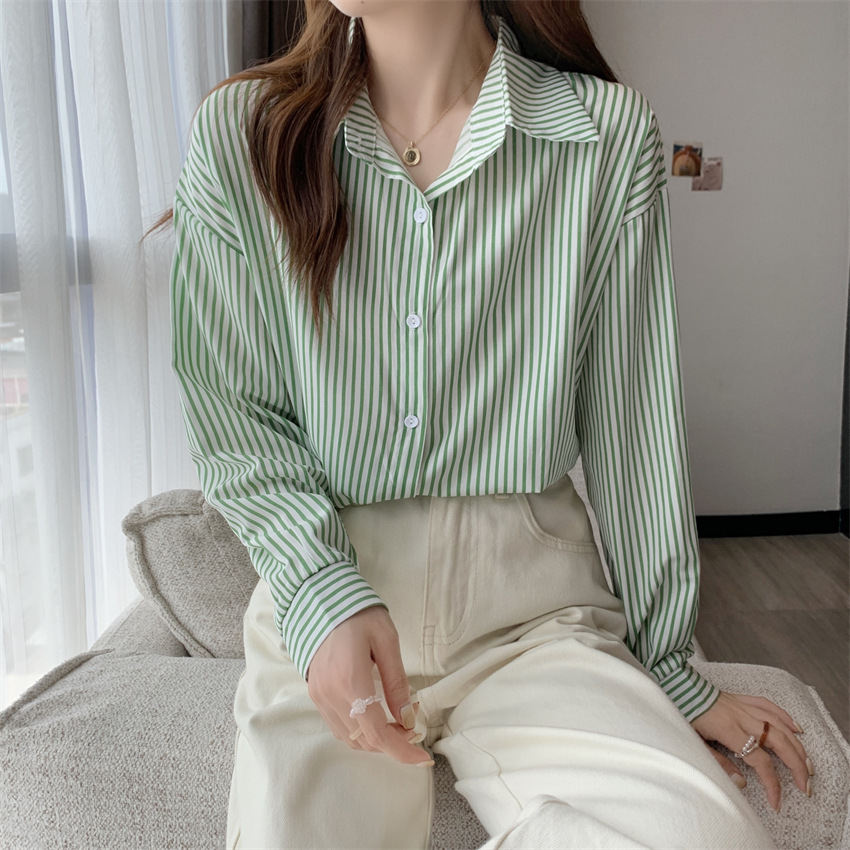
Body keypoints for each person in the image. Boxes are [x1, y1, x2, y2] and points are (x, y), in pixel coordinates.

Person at [161, 0, 813, 846]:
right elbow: (233, 410)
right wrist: (320, 595)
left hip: (535, 615)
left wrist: (672, 668)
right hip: (331, 599)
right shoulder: (244, 133)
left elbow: (633, 424)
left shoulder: (604, 137)